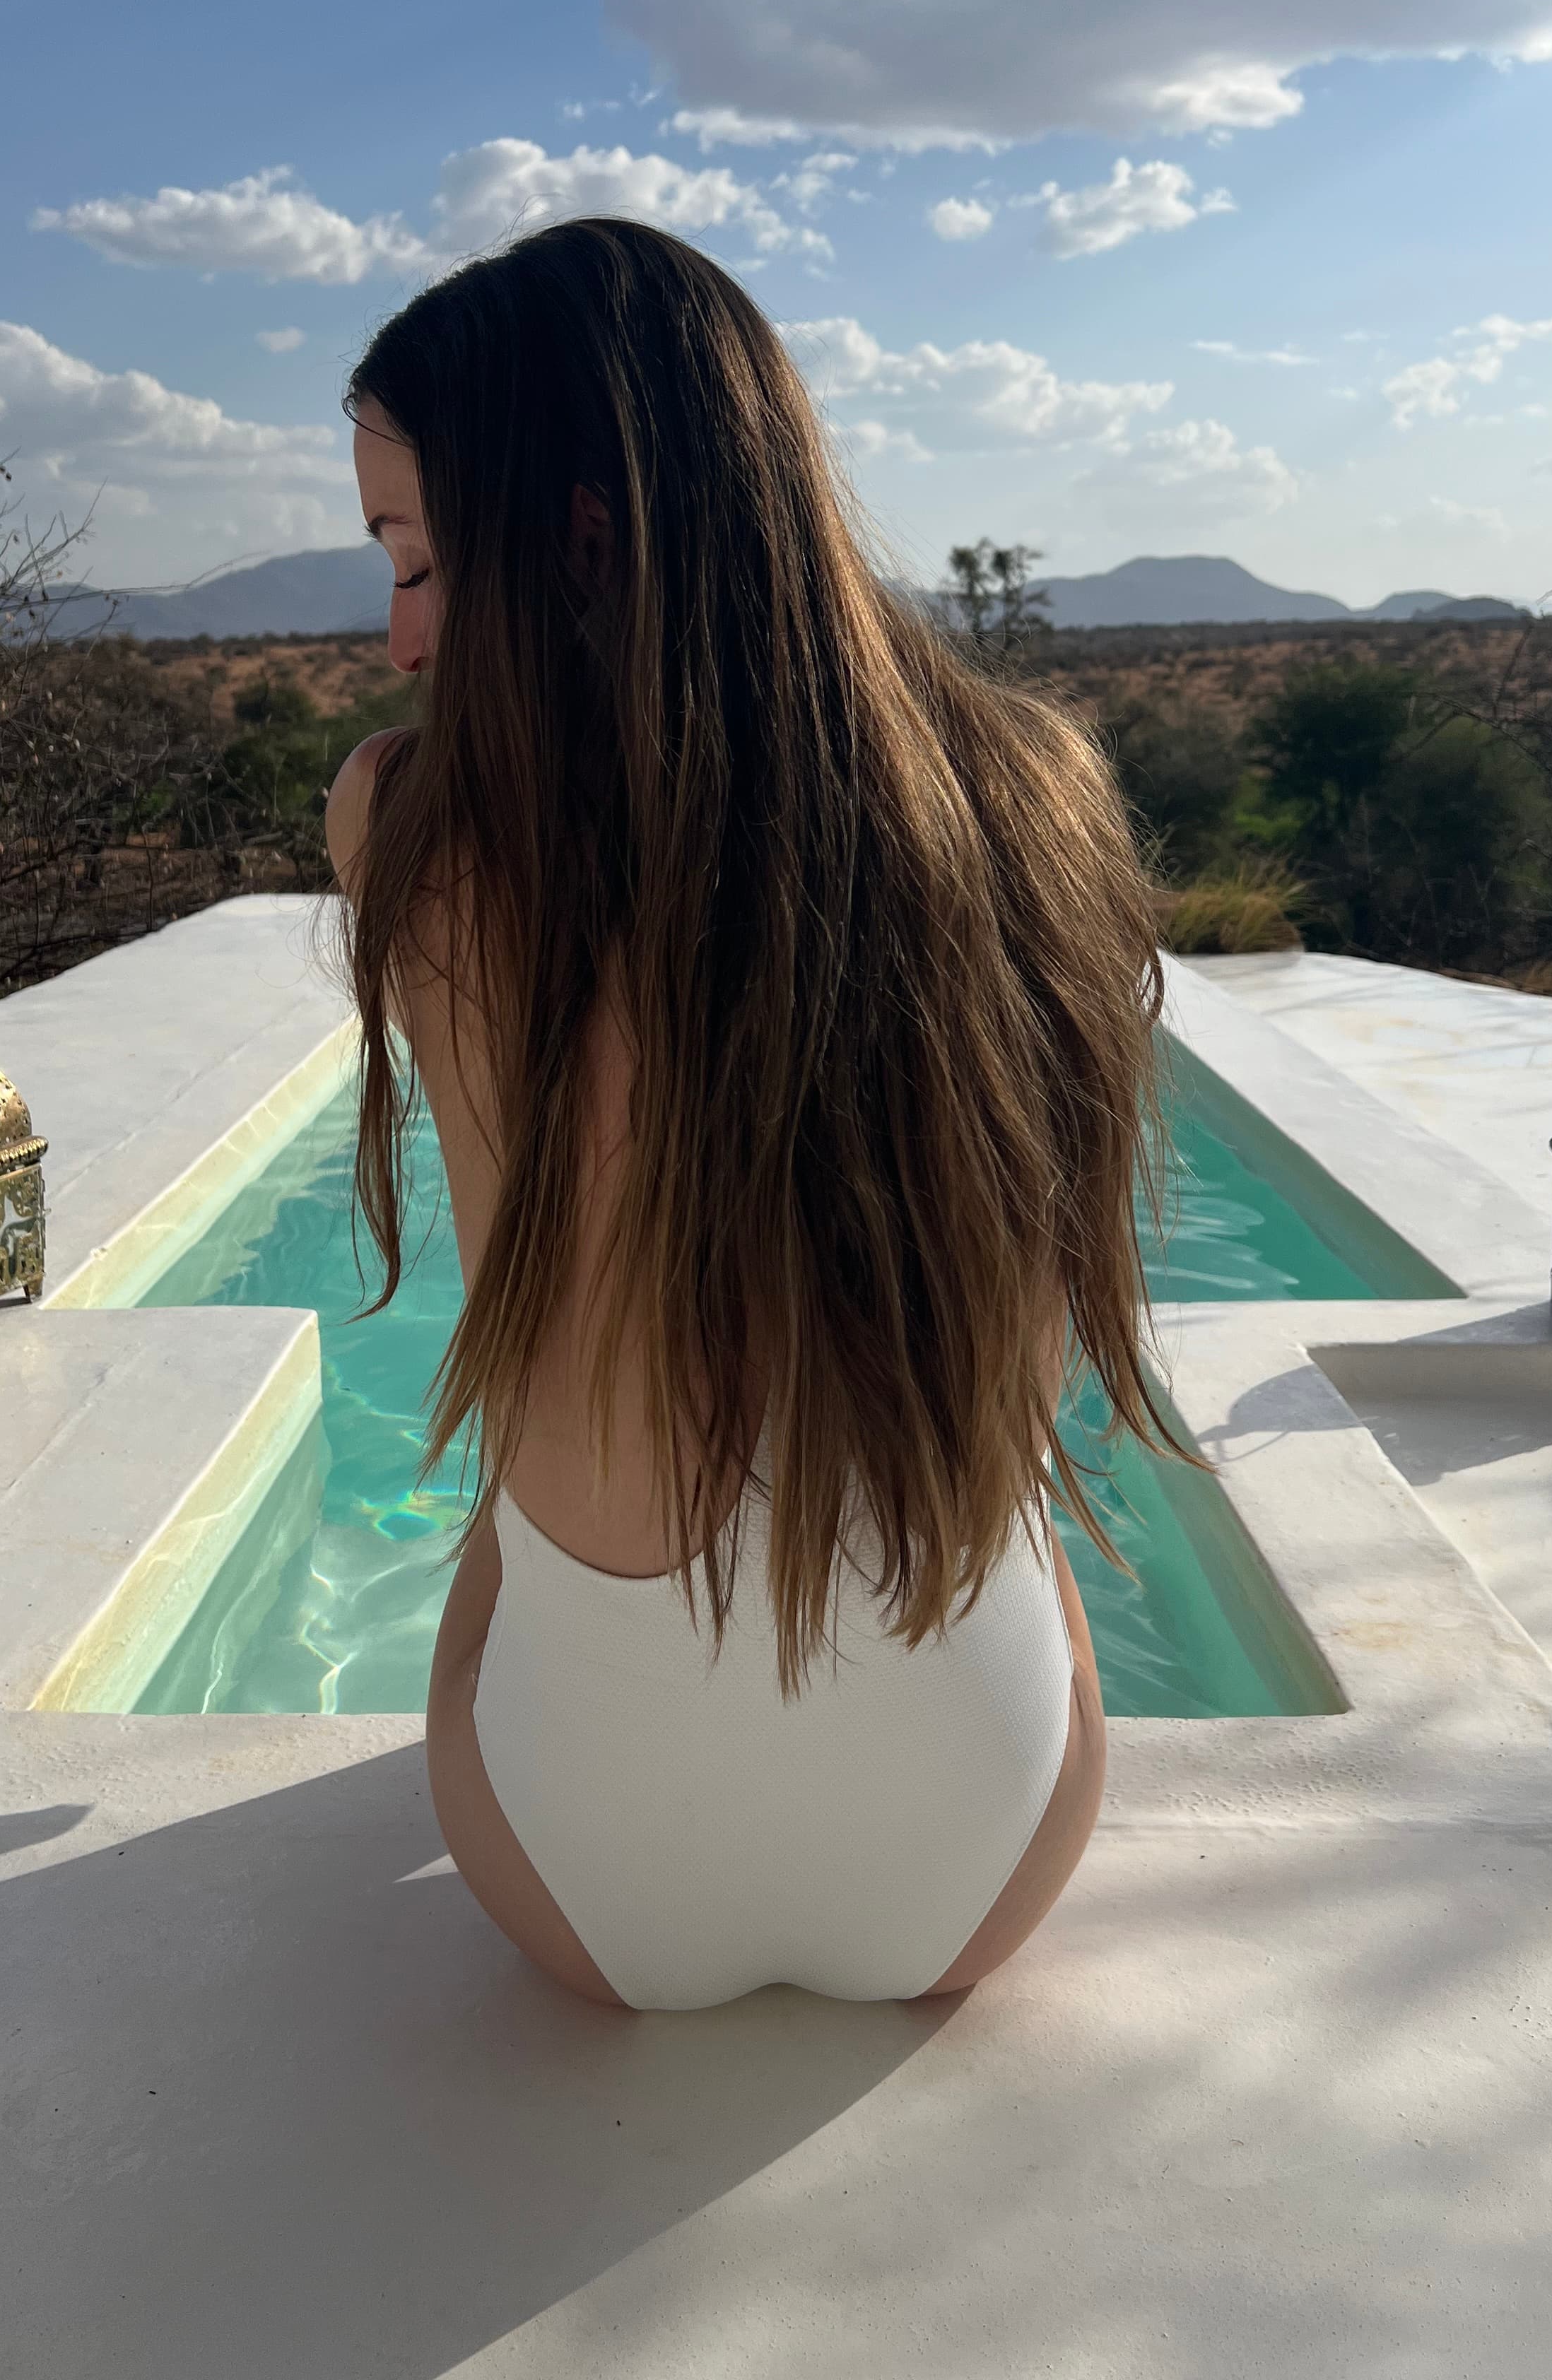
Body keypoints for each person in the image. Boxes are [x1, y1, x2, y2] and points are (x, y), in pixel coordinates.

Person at [324, 218, 1182, 2012]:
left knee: (503, 1497)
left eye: (413, 560)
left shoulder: (412, 842)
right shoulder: (1041, 809)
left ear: (574, 537)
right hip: (988, 1856)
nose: (399, 639)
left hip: (582, 1871)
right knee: (1010, 1489)